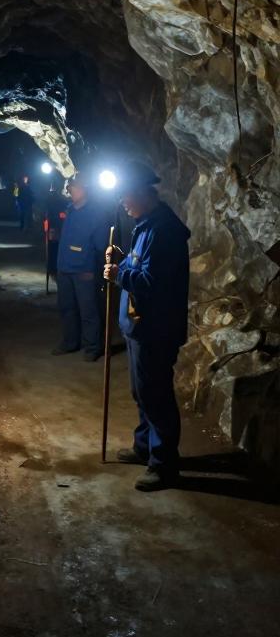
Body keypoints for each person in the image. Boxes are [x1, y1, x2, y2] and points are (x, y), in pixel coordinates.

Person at [104, 161, 190, 492]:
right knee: (141, 392)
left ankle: (164, 464)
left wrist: (118, 274)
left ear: (142, 193)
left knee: (156, 394)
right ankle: (144, 447)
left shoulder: (164, 231)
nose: (123, 202)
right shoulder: (146, 226)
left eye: (126, 195)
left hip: (156, 329)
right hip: (139, 326)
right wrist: (123, 260)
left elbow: (152, 282)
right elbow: (138, 265)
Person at [51, 173, 108, 361]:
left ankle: (92, 347)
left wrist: (93, 268)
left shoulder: (96, 214)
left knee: (88, 310)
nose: (69, 189)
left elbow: (101, 245)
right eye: (69, 186)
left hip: (84, 270)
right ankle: (70, 342)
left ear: (84, 188)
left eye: (73, 186)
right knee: (67, 307)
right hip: (65, 267)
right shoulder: (70, 210)